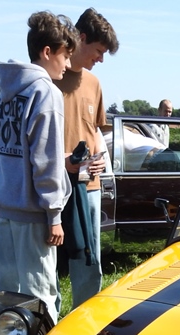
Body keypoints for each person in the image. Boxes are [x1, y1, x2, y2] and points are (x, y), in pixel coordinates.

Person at [0, 12, 78, 325]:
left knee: (7, 294)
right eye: (66, 55)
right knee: (39, 298)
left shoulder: (6, 92)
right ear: (47, 52)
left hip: (6, 209)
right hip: (33, 214)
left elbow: (5, 152)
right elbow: (45, 160)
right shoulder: (45, 92)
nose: (68, 64)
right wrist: (54, 215)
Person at [54, 7, 119, 310]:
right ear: (80, 38)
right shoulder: (49, 76)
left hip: (89, 187)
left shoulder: (94, 83)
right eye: (98, 51)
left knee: (90, 262)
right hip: (52, 185)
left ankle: (84, 321)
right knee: (49, 264)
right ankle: (45, 325)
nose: (101, 59)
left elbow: (94, 131)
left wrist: (101, 160)